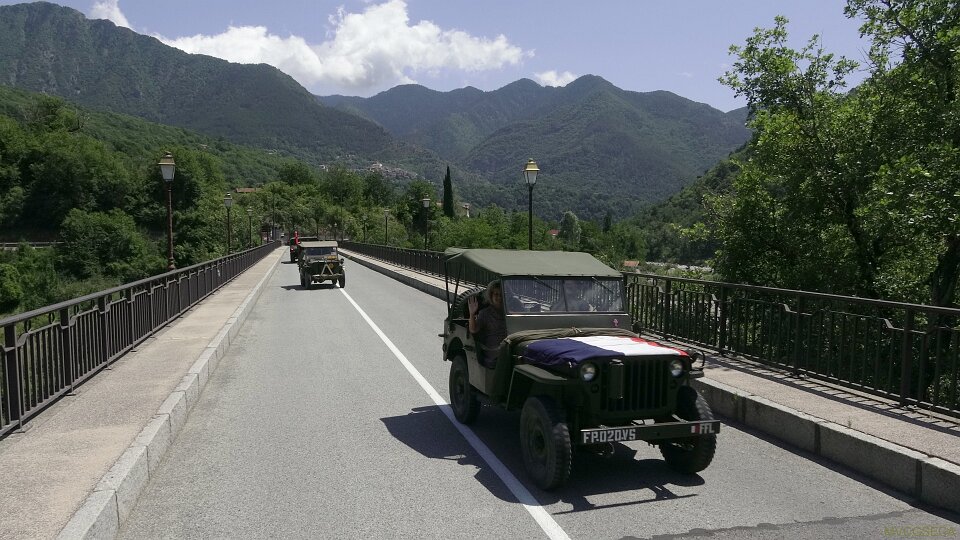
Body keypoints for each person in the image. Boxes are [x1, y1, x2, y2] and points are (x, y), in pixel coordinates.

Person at [468, 280, 507, 367]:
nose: (499, 297)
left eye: (502, 294)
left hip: (508, 348)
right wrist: (472, 313)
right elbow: (473, 330)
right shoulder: (485, 313)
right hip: (493, 351)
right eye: (496, 294)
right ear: (491, 296)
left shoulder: (508, 312)